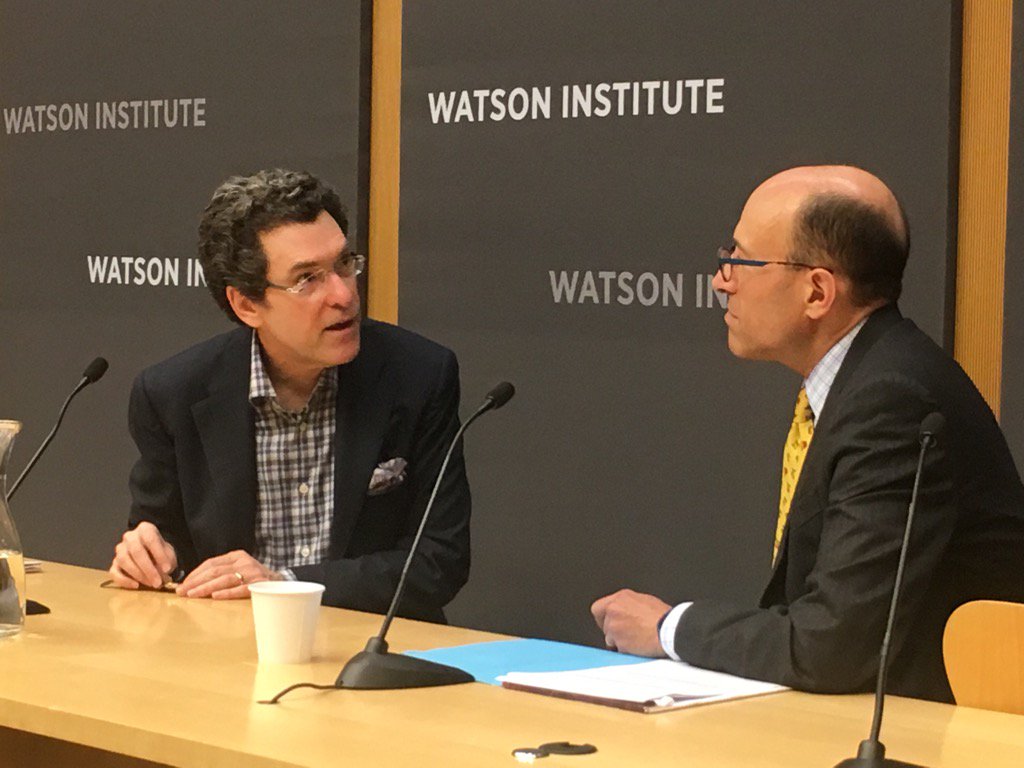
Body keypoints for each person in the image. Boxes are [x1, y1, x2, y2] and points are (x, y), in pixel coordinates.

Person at [592, 165, 1024, 701]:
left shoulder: (893, 399)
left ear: (817, 291)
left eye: (740, 260)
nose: (721, 280)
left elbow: (830, 646)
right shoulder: (866, 376)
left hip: (941, 727)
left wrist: (667, 628)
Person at [108, 169, 470, 622]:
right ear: (246, 304)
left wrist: (285, 585)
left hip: (371, 645)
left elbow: (438, 561)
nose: (343, 294)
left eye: (344, 264)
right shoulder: (173, 394)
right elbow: (163, 538)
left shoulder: (419, 375)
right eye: (307, 279)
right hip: (228, 648)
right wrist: (147, 555)